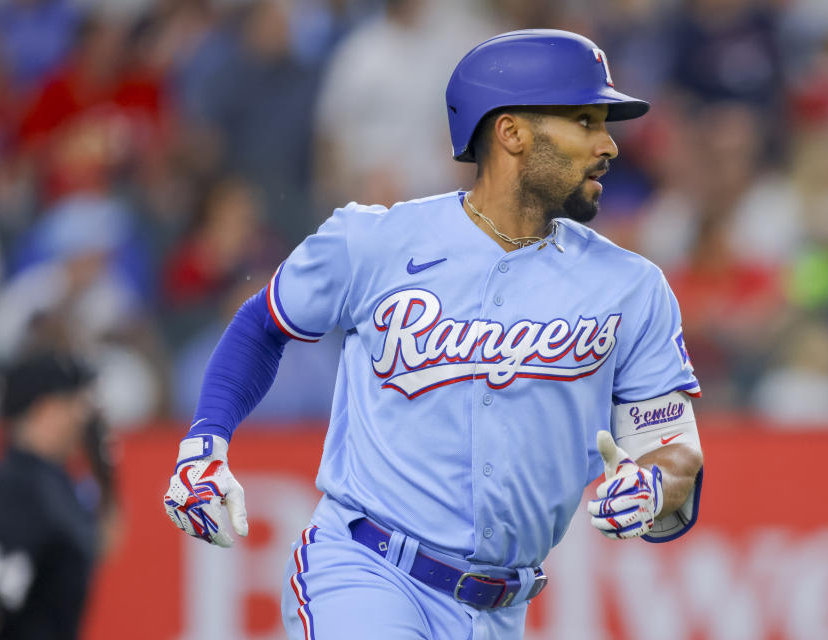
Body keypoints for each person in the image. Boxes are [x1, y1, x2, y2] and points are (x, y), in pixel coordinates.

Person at [163, 29, 705, 640]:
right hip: (367, 573)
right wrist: (205, 442)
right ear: (512, 133)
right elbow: (263, 322)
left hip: (502, 608)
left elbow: (675, 446)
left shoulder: (632, 286)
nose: (608, 143)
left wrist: (656, 483)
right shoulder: (376, 241)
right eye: (585, 119)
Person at [0, 350, 112, 639]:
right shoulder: (17, 489)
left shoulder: (55, 482)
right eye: (74, 402)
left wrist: (106, 472)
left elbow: (104, 544)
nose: (84, 415)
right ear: (44, 409)